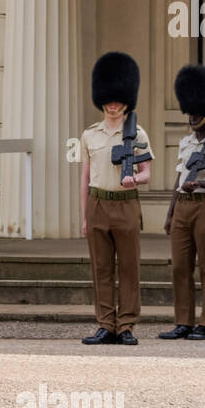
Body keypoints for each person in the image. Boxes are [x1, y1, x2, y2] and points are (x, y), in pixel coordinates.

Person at [80, 51, 153, 345]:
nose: (112, 104)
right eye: (108, 99)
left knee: (128, 267)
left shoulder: (137, 134)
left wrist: (134, 178)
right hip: (98, 202)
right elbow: (85, 178)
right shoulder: (89, 135)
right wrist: (84, 215)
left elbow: (148, 171)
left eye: (117, 99)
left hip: (125, 203)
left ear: (126, 99)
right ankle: (105, 323)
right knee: (101, 268)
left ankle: (126, 325)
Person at [159, 64, 205, 343]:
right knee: (180, 267)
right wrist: (170, 213)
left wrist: (200, 183)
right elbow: (179, 179)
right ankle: (183, 321)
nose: (191, 116)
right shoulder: (186, 142)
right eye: (189, 111)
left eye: (196, 111)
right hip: (183, 207)